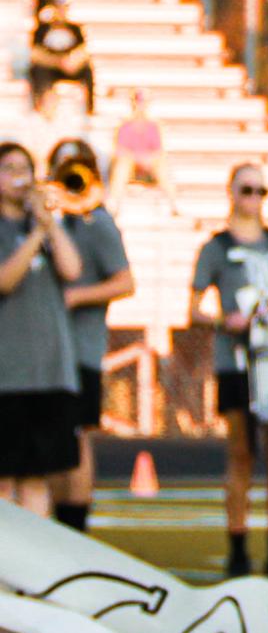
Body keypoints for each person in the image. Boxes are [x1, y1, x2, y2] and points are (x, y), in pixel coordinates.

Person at [189, 164, 268, 577]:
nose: (254, 198)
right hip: (237, 361)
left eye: (261, 190)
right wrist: (226, 321)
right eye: (246, 189)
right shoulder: (217, 247)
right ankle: (237, 546)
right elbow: (193, 310)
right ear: (232, 192)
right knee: (241, 454)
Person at [45, 139, 134, 535]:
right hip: (40, 352)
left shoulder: (96, 223)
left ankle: (76, 526)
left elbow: (125, 281)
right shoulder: (43, 222)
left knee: (76, 436)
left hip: (79, 348)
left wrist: (78, 295)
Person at [0, 141, 83, 516]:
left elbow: (72, 270)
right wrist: (35, 237)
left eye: (25, 169)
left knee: (38, 478)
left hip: (48, 371)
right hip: (7, 374)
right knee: (3, 480)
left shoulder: (47, 227)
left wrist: (47, 224)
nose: (20, 178)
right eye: (10, 169)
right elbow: (5, 280)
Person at [106, 90, 177, 209]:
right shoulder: (124, 126)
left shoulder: (153, 126)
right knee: (123, 164)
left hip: (149, 167)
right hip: (131, 166)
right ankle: (114, 203)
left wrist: (147, 160)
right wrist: (138, 159)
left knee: (161, 164)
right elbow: (120, 151)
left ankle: (173, 202)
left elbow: (159, 151)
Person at [28, 0, 92, 117]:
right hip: (49, 67)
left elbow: (83, 50)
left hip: (70, 67)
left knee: (87, 70)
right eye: (58, 7)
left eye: (63, 8)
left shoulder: (75, 29)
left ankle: (89, 108)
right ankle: (43, 107)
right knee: (38, 71)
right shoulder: (42, 29)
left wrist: (72, 61)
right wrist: (57, 62)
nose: (61, 11)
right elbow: (35, 53)